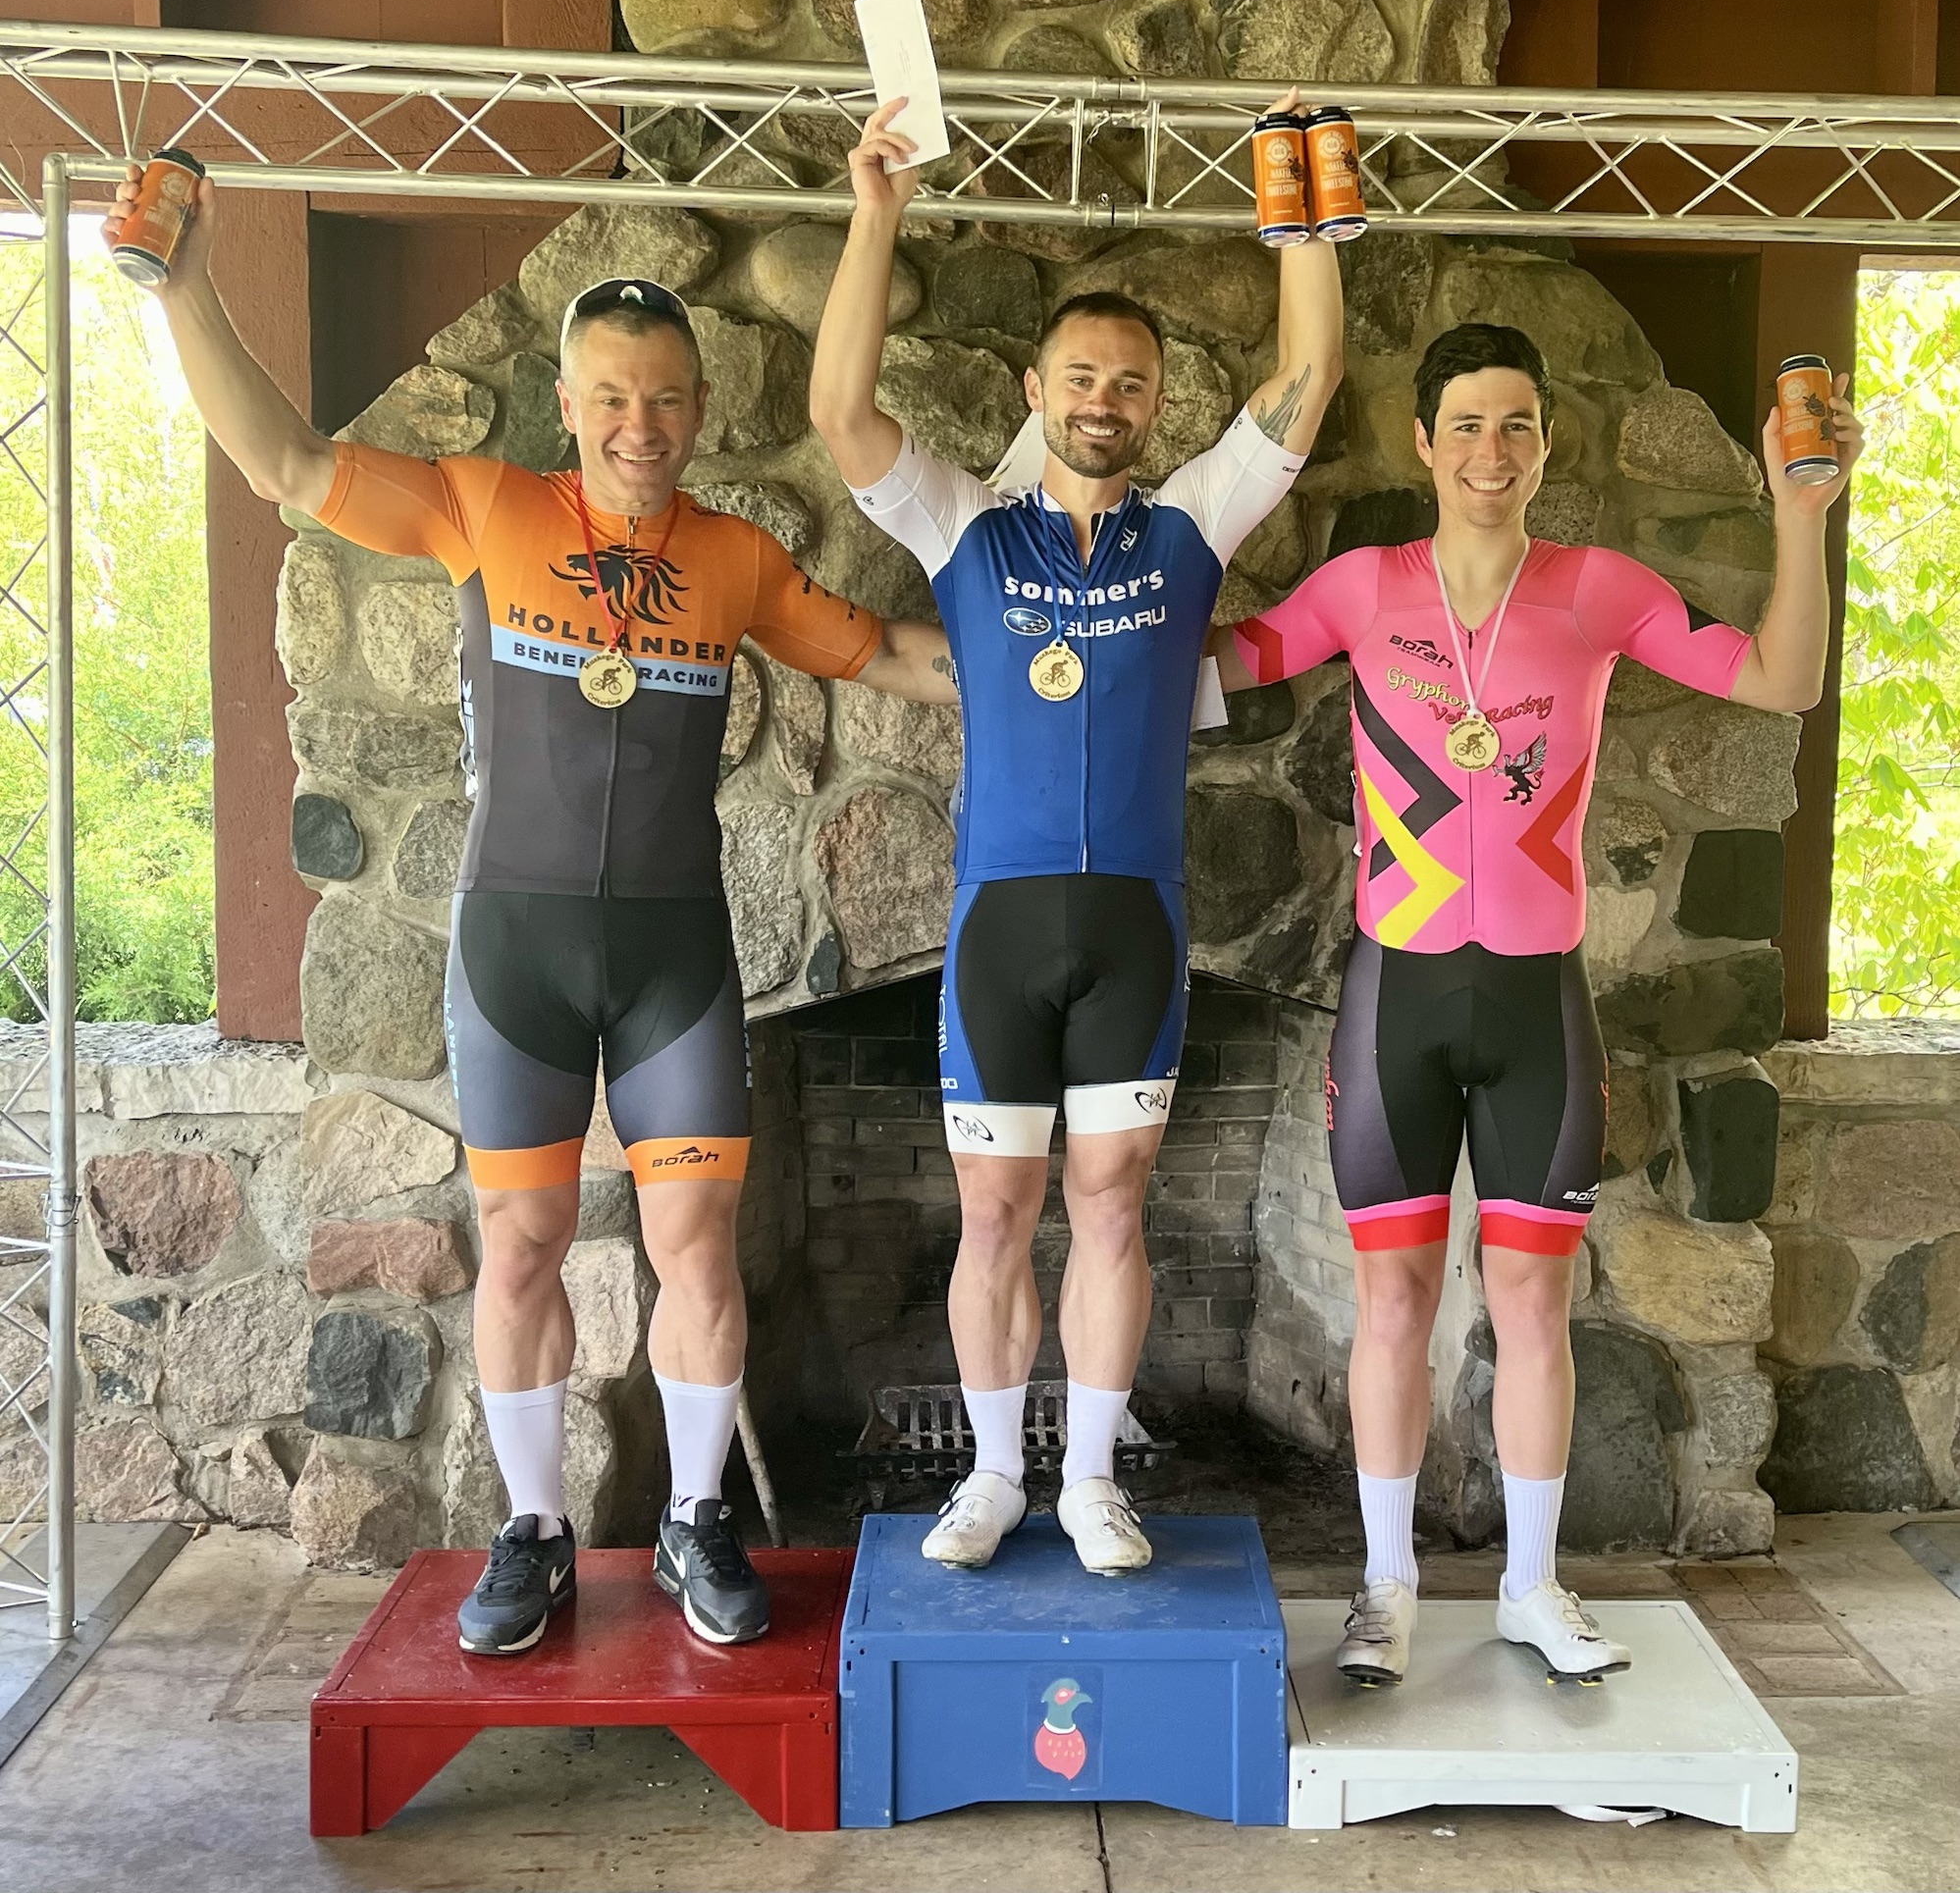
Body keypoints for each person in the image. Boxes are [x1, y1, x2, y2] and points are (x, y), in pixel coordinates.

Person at [106, 172, 955, 1655]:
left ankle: (696, 1519)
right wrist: (184, 287)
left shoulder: (733, 557)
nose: (642, 425)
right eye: (613, 397)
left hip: (674, 959)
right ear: (568, 404)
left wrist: (1084, 663)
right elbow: (285, 460)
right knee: (518, 1245)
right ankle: (535, 1529)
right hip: (517, 952)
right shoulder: (483, 508)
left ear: (700, 409)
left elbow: (883, 652)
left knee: (697, 1246)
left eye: (668, 399)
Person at [1216, 322, 1860, 1681]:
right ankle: (1385, 1588)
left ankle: (1528, 1585)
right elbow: (1203, 669)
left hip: (1534, 1006)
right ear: (1422, 443)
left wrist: (1802, 517)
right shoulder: (1359, 588)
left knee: (1530, 1305)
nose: (1490, 450)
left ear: (1548, 443)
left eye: (1516, 424)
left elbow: (1782, 679)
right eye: (1465, 424)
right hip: (1395, 997)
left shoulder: (1596, 591)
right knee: (1392, 1298)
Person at [810, 95, 1344, 1576]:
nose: (1106, 399)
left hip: (1135, 928)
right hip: (999, 924)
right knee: (995, 1212)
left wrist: (1302, 217)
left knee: (1111, 1207)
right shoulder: (966, 528)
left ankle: (1094, 1481)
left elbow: (1303, 385)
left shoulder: (1187, 530)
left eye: (1132, 383)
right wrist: (875, 210)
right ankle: (992, 1478)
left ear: (1155, 407)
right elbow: (841, 416)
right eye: (1083, 376)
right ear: (1037, 390)